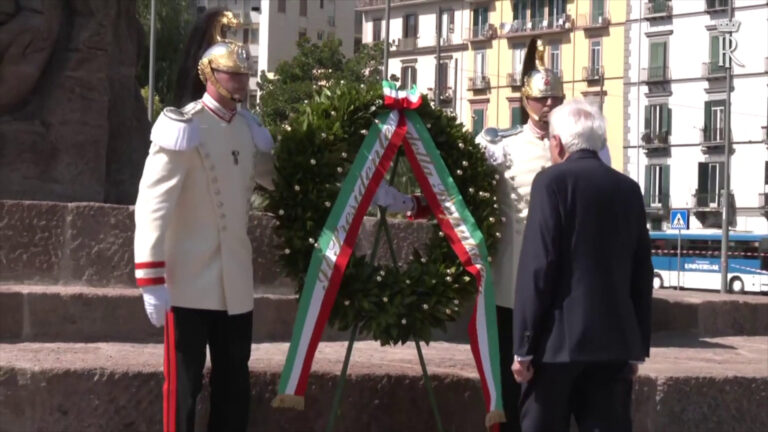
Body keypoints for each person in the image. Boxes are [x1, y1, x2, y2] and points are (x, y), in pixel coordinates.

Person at [133, 37, 275, 432]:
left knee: (234, 389)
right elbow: (152, 204)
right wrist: (151, 278)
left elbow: (279, 179)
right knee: (184, 389)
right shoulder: (184, 126)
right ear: (209, 74)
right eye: (233, 72)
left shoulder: (249, 130)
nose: (241, 80)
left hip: (235, 285)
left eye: (245, 73)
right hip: (188, 285)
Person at [511, 99, 653, 432]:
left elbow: (538, 268)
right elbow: (640, 273)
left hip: (555, 348)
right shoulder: (629, 190)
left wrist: (523, 347)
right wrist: (637, 349)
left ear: (557, 143)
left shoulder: (551, 183)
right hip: (614, 346)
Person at [474, 36, 564, 432]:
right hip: (511, 284)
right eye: (541, 99)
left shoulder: (579, 146)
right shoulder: (500, 146)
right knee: (509, 389)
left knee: (552, 392)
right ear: (524, 100)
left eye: (554, 99)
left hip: (561, 288)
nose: (548, 107)